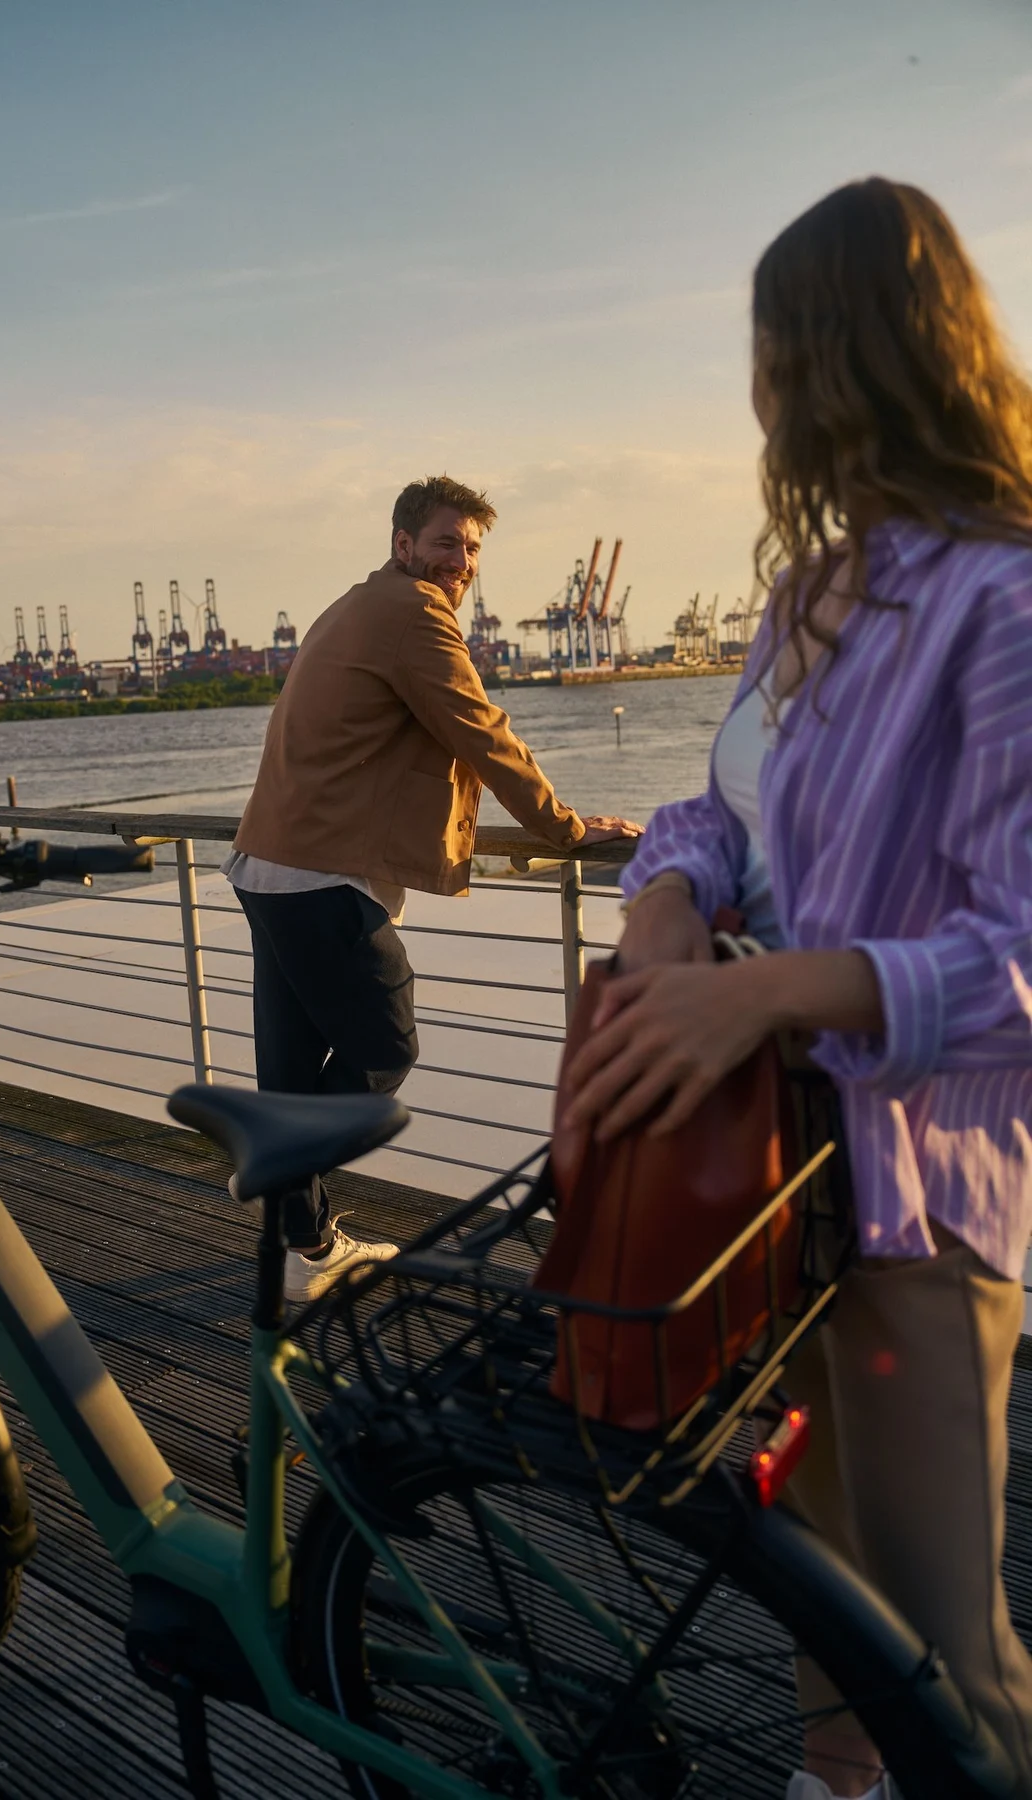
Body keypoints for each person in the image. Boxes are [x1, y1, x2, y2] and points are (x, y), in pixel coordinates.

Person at [562, 177, 1032, 1800]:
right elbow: (720, 810)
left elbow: (1024, 957)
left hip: (909, 1201)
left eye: (769, 351)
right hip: (768, 1188)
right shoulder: (804, 595)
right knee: (826, 1626)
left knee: (949, 1662)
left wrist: (771, 998)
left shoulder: (1008, 599)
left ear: (835, 356)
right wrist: (675, 903)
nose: (754, 394)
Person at [227, 474, 639, 1303]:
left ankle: (307, 1240)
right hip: (318, 873)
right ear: (404, 544)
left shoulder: (356, 605)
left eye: (474, 548)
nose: (462, 562)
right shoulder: (412, 614)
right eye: (448, 543)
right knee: (386, 1044)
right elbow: (482, 731)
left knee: (294, 1073)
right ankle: (279, 1168)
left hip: (270, 864)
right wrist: (565, 830)